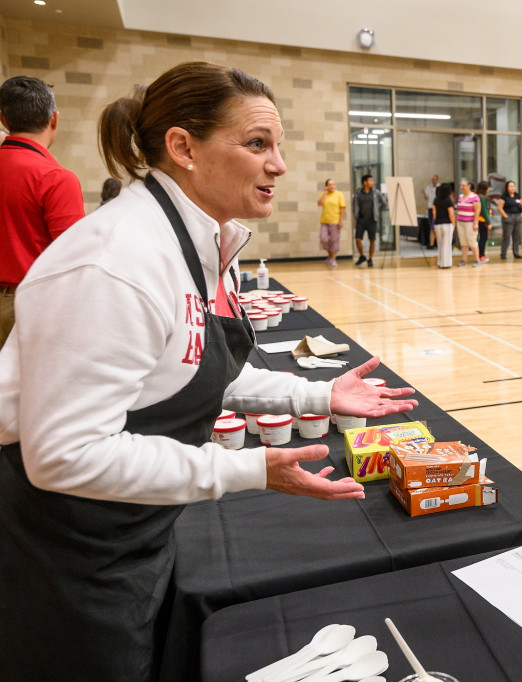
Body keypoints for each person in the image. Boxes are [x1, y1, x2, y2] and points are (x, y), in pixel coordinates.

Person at [0, 62, 418, 681]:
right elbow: (65, 456)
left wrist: (320, 393)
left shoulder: (199, 241)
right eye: (257, 145)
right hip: (61, 544)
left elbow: (192, 367)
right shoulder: (117, 262)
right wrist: (244, 468)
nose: (278, 165)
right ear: (183, 147)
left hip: (127, 528)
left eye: (278, 146)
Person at [0, 75, 85, 350]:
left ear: (3, 120)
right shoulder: (56, 178)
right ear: (54, 120)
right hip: (29, 306)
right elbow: (75, 260)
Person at [352, 173, 386, 267]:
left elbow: (384, 203)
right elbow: (354, 206)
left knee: (372, 240)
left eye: (372, 180)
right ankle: (362, 256)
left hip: (372, 220)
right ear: (365, 182)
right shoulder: (358, 193)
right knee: (358, 239)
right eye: (370, 180)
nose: (372, 182)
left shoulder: (376, 192)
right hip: (361, 219)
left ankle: (370, 259)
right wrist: (355, 217)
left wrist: (377, 212)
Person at [317, 177, 346, 267]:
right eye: (330, 185)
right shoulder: (324, 194)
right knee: (323, 239)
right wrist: (325, 193)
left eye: (333, 184)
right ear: (327, 186)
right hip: (324, 221)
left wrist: (341, 221)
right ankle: (330, 254)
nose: (332, 186)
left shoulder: (339, 195)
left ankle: (333, 259)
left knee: (334, 240)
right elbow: (319, 203)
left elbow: (343, 208)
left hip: (335, 221)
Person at [455, 178, 485, 266]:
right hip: (460, 222)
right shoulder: (460, 197)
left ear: (469, 186)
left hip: (470, 223)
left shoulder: (474, 197)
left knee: (472, 240)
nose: (462, 187)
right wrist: (456, 219)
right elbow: (458, 209)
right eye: (461, 185)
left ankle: (477, 260)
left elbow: (477, 211)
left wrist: (475, 223)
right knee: (463, 241)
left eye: (463, 185)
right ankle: (464, 260)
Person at [498, 179, 522, 260]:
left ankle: (516, 253)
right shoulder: (503, 197)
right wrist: (505, 216)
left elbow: (521, 206)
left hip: (517, 216)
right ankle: (503, 253)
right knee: (507, 236)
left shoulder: (517, 195)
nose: (512, 188)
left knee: (516, 236)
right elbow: (500, 208)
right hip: (508, 216)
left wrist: (521, 215)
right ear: (507, 187)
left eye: (513, 186)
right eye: (511, 186)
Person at [433, 182, 456, 268]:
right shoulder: (448, 201)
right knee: (447, 244)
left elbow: (434, 212)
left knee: (440, 244)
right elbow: (451, 214)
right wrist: (453, 223)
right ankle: (446, 264)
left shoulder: (436, 200)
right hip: (447, 224)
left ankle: (440, 262)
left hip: (437, 224)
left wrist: (437, 220)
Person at [475, 180, 492, 263]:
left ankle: (481, 254)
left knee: (482, 238)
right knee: (483, 238)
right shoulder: (482, 197)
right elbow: (484, 211)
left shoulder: (477, 196)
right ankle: (481, 255)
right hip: (482, 220)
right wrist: (489, 222)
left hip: (478, 220)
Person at [422, 173, 439, 247]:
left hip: (437, 208)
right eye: (432, 179)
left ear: (437, 180)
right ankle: (432, 242)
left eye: (435, 179)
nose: (433, 181)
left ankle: (434, 243)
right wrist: (423, 194)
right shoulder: (429, 187)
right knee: (431, 226)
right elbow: (426, 197)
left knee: (434, 226)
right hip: (430, 208)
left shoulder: (439, 187)